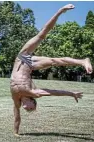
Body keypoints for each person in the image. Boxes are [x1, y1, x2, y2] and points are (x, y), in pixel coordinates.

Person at [10, 4, 93, 136]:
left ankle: (83, 61)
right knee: (51, 53)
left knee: (48, 47)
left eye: (28, 109)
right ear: (32, 100)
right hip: (30, 64)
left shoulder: (16, 99)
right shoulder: (34, 92)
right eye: (31, 108)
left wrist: (15, 132)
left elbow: (16, 115)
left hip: (22, 59)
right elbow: (53, 92)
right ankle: (82, 60)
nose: (27, 108)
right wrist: (71, 94)